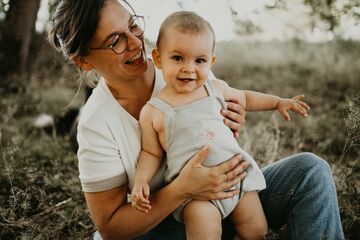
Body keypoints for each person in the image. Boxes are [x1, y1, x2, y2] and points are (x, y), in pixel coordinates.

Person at [48, 0, 345, 239]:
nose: (135, 42)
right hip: (169, 223)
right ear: (83, 60)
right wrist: (183, 190)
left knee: (310, 171)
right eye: (116, 41)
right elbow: (111, 227)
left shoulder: (185, 67)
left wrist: (232, 121)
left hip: (230, 193)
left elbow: (226, 112)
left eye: (133, 25)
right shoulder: (96, 123)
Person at [130, 11, 311, 240]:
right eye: (177, 58)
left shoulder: (215, 89)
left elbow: (245, 97)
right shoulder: (154, 111)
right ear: (158, 58)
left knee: (256, 231)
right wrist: (140, 181)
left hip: (236, 178)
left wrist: (277, 102)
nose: (189, 68)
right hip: (196, 195)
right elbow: (150, 153)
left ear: (211, 61)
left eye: (199, 60)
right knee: (204, 233)